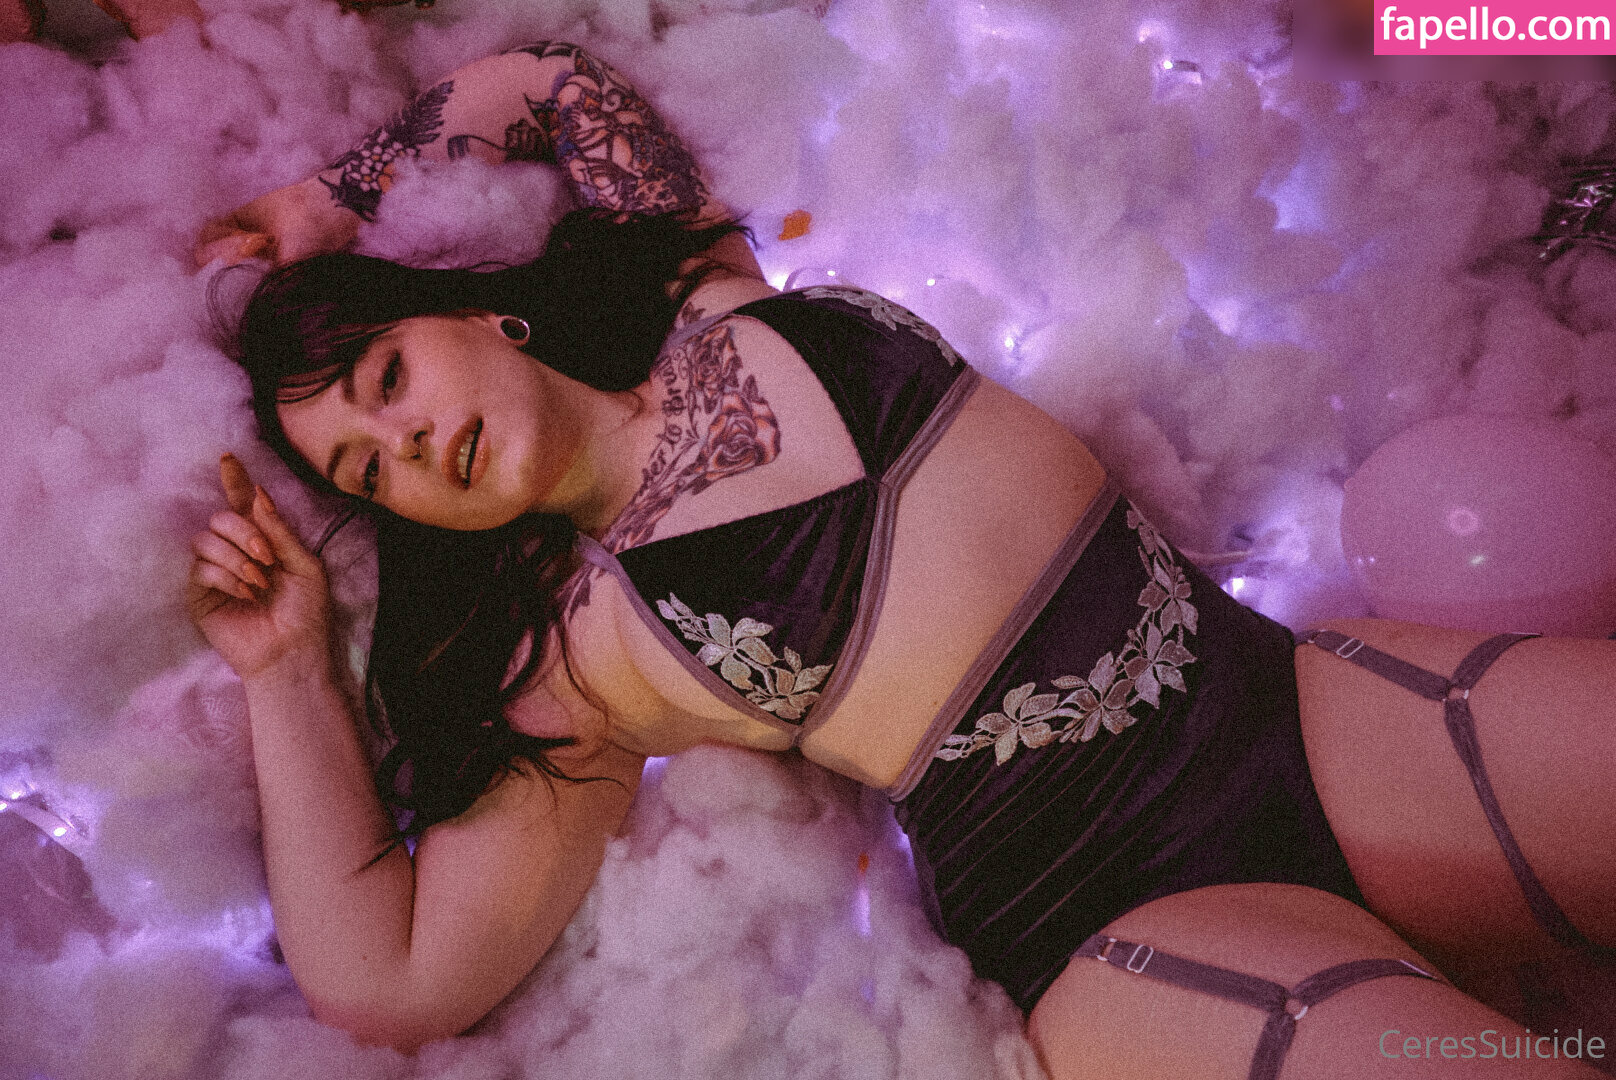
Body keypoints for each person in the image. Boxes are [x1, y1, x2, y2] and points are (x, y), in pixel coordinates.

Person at [188, 43, 1616, 1077]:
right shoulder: (574, 657)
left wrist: (325, 199)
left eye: (385, 379)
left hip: (1297, 708)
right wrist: (285, 670)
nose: (405, 447)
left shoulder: (704, 289)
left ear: (476, 315)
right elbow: (389, 981)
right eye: (365, 475)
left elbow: (549, 85)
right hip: (1120, 922)